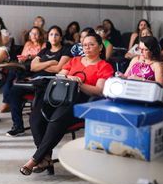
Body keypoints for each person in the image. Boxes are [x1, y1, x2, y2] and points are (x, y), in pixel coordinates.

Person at [19, 33, 114, 175]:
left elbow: (98, 91)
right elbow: (60, 75)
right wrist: (70, 78)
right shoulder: (75, 60)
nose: (87, 47)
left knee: (55, 121)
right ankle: (45, 159)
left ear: (100, 47)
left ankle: (34, 160)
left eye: (91, 44)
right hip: (59, 96)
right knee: (35, 118)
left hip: (80, 101)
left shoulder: (104, 66)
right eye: (85, 45)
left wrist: (79, 84)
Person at [6, 25, 72, 137]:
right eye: (51, 34)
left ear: (61, 37)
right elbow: (32, 67)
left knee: (41, 95)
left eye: (56, 34)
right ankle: (18, 126)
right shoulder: (44, 51)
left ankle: (40, 125)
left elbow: (58, 69)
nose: (54, 37)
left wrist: (41, 65)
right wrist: (50, 62)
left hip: (51, 82)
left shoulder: (65, 51)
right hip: (35, 80)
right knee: (14, 91)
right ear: (48, 37)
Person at [0, 26, 46, 113]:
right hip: (24, 64)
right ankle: (7, 101)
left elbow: (42, 56)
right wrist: (22, 58)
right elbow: (23, 55)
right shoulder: (28, 43)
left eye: (36, 33)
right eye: (32, 33)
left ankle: (7, 102)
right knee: (11, 74)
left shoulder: (44, 44)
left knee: (15, 75)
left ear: (40, 35)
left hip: (34, 65)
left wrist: (28, 56)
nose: (34, 35)